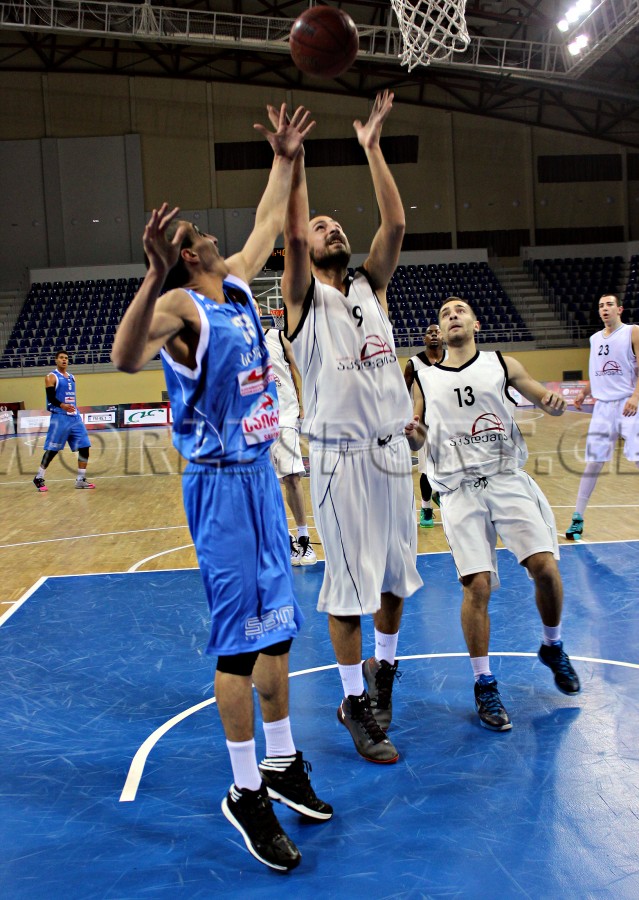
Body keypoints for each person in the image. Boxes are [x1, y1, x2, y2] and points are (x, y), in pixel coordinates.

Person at [111, 105, 332, 874]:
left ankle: (281, 760)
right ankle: (244, 792)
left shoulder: (234, 282)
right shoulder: (181, 305)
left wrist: (285, 156)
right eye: (189, 236)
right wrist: (150, 276)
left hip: (260, 479)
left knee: (277, 633)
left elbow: (270, 220)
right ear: (182, 257)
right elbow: (125, 357)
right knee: (238, 647)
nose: (200, 232)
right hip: (218, 488)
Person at [276, 91, 423, 765]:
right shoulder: (302, 300)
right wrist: (295, 164)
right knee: (346, 589)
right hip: (339, 458)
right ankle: (352, 702)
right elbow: (290, 234)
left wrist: (372, 147)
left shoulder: (370, 285)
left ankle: (382, 672)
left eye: (337, 225)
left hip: (392, 454)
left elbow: (395, 222)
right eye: (321, 226)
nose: (331, 229)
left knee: (393, 579)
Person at [408, 296, 580, 732]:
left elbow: (541, 397)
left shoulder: (502, 364)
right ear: (440, 330)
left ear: (476, 324)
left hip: (506, 478)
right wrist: (412, 435)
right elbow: (418, 432)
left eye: (460, 310)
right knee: (477, 585)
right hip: (459, 490)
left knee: (545, 568)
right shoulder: (424, 377)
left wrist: (551, 403)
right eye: (445, 313)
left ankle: (552, 645)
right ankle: (484, 683)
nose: (452, 316)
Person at [565, 293, 639, 541]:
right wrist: (584, 392)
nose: (605, 308)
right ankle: (577, 517)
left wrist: (636, 397)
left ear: (620, 309)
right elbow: (597, 372)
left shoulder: (632, 332)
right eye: (601, 306)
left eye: (609, 305)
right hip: (603, 408)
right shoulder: (595, 338)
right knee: (593, 463)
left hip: (629, 404)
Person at [263, 322, 317, 565]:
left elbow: (300, 370)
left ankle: (304, 536)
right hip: (255, 421)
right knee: (266, 485)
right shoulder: (236, 341)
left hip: (284, 416)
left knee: (292, 477)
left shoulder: (278, 337)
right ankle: (284, 538)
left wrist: (306, 405)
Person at [33, 350, 95, 492]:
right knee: (53, 450)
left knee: (85, 446)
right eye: (61, 358)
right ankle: (39, 477)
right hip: (60, 417)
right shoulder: (51, 377)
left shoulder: (72, 377)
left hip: (75, 417)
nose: (64, 360)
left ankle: (80, 480)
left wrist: (71, 408)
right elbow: (51, 398)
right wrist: (62, 405)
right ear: (56, 360)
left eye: (66, 358)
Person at [403, 323, 446, 527]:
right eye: (430, 333)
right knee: (426, 469)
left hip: (448, 421)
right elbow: (403, 392)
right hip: (423, 423)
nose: (434, 335)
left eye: (437, 332)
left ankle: (442, 494)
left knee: (451, 464)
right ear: (424, 339)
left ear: (443, 336)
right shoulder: (414, 363)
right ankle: (426, 509)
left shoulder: (452, 359)